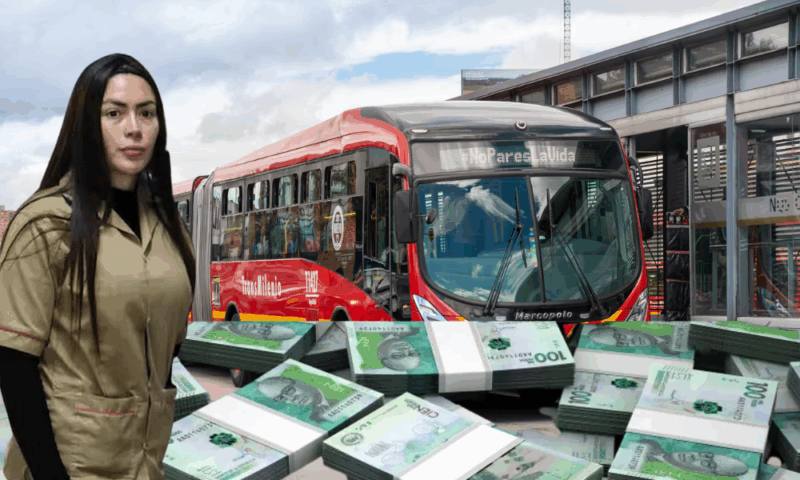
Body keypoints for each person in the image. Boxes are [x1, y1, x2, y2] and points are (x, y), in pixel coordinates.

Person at [0, 54, 195, 480]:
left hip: (145, 462)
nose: (134, 128)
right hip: (68, 465)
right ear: (87, 124)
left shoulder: (170, 228)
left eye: (147, 113)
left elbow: (166, 349)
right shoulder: (46, 224)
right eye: (114, 113)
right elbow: (14, 367)